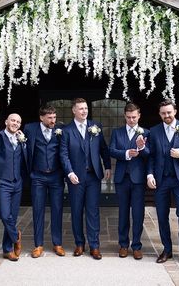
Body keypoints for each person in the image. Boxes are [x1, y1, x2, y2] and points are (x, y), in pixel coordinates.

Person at [60, 97, 111, 260]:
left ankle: (94, 246)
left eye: (86, 108)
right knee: (76, 211)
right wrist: (69, 172)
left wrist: (108, 166)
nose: (84, 111)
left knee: (93, 211)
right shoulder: (67, 131)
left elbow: (103, 148)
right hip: (75, 178)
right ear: (73, 110)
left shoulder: (96, 127)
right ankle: (79, 244)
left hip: (93, 176)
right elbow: (64, 154)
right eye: (81, 108)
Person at [147, 99, 179, 264]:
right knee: (162, 216)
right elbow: (151, 156)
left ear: (175, 111)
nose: (166, 115)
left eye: (169, 112)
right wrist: (149, 174)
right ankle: (167, 249)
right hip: (161, 180)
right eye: (163, 113)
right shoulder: (154, 131)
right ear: (159, 114)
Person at [23, 104, 66, 258]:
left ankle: (57, 244)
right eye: (50, 118)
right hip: (38, 177)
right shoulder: (30, 128)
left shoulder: (61, 129)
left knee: (57, 210)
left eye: (54, 117)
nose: (53, 120)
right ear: (41, 118)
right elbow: (12, 133)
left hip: (56, 176)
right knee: (38, 210)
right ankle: (38, 245)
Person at [109, 102, 149, 260]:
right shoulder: (117, 132)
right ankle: (123, 245)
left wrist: (141, 148)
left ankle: (137, 246)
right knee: (123, 212)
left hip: (138, 179)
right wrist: (126, 153)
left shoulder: (146, 132)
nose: (131, 120)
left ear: (139, 116)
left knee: (138, 213)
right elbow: (111, 150)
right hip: (121, 178)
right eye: (128, 117)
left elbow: (149, 154)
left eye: (134, 117)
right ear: (124, 116)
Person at [0, 113, 28, 261]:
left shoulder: (21, 139)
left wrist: (24, 142)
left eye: (18, 122)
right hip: (3, 182)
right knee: (4, 215)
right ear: (6, 121)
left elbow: (26, 158)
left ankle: (7, 249)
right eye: (13, 120)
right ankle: (16, 236)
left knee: (12, 217)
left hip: (17, 182)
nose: (15, 123)